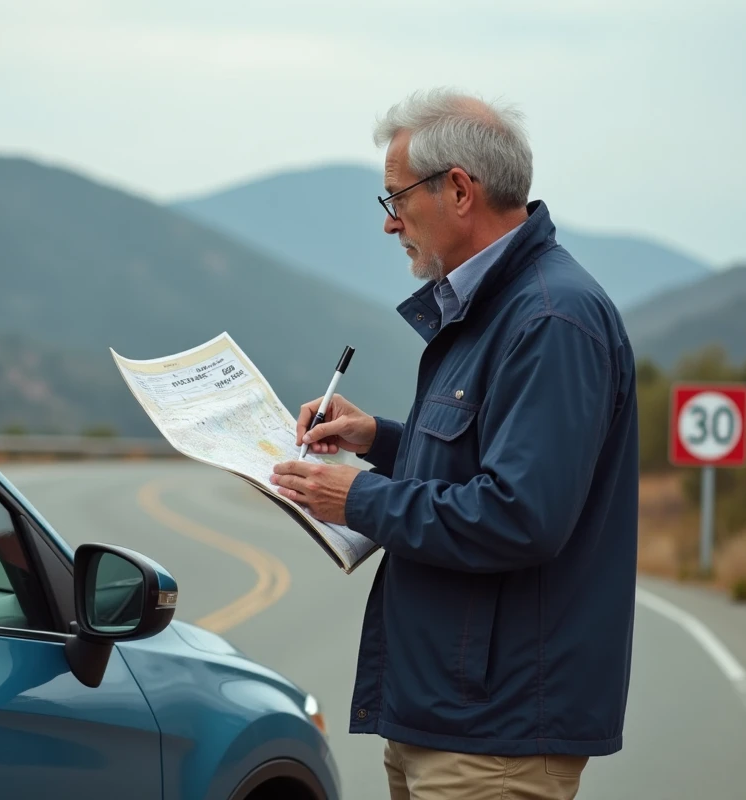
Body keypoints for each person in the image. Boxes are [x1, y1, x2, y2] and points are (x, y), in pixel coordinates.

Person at [269, 88, 639, 800]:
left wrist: (362, 498)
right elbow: (481, 459)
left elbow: (519, 514)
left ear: (460, 191)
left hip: (494, 734)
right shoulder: (496, 306)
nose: (389, 225)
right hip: (446, 716)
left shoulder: (551, 319)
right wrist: (378, 439)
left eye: (395, 200)